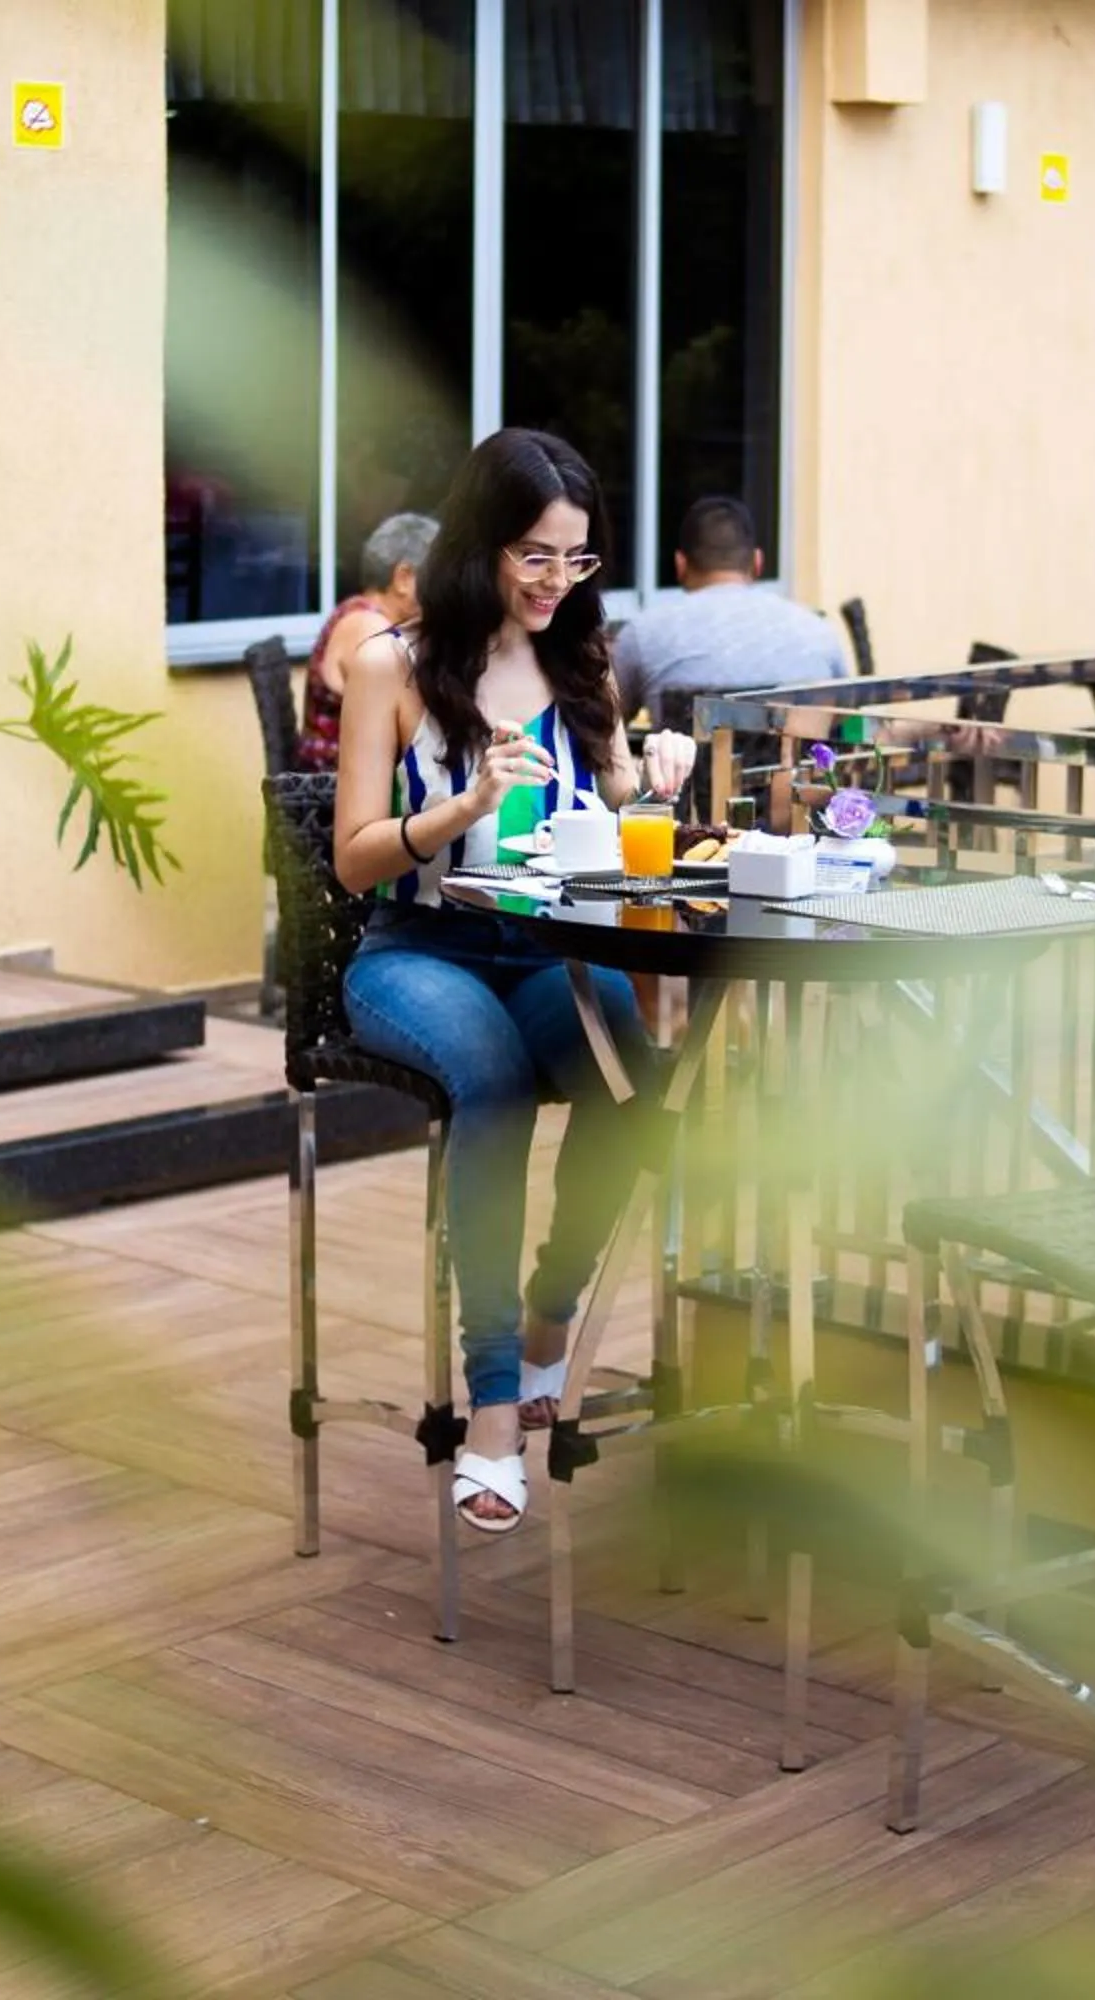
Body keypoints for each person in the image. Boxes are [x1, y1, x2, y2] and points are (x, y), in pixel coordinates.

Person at [331, 428, 696, 1535]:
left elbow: (616, 817)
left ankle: (551, 1317)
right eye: (536, 554)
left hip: (545, 947)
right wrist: (461, 805)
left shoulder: (584, 661)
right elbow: (352, 855)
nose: (556, 581)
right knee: (486, 1082)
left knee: (636, 1077)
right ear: (483, 539)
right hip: (417, 948)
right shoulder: (391, 662)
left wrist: (658, 781)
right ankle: (494, 1401)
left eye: (577, 559)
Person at [609, 496, 846, 737]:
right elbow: (844, 722)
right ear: (757, 562)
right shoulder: (819, 633)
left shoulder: (642, 634)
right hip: (795, 774)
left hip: (686, 775)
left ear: (680, 565)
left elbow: (604, 726)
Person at [295, 512, 434, 772]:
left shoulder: (354, 610)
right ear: (404, 579)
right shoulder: (370, 629)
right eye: (437, 577)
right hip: (335, 789)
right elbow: (411, 727)